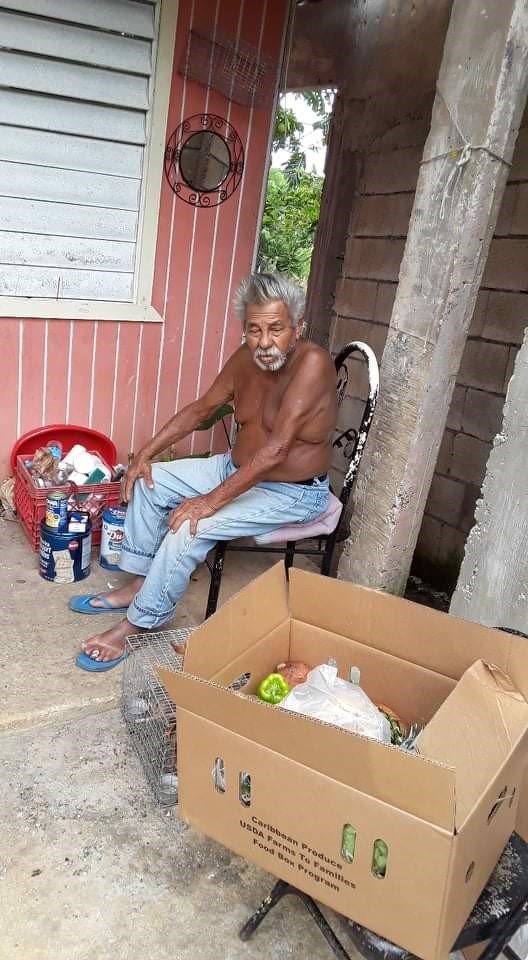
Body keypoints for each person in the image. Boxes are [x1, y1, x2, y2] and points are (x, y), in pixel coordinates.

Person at [71, 273, 338, 671]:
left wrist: (207, 503)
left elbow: (277, 449)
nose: (264, 342)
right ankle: (144, 583)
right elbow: (201, 409)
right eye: (254, 330)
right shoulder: (245, 358)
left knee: (189, 526)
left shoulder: (313, 363)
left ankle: (140, 622)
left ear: (298, 328)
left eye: (276, 329)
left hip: (290, 491)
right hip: (235, 468)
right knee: (151, 481)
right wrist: (145, 453)